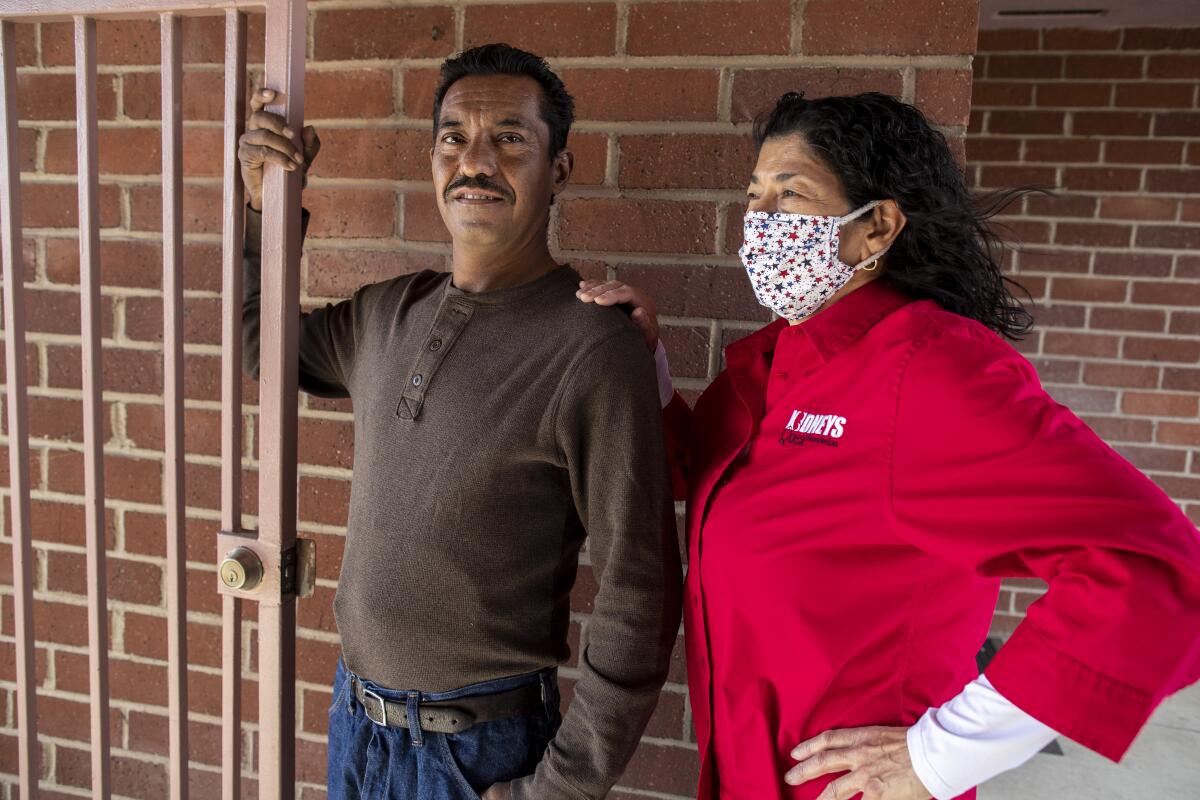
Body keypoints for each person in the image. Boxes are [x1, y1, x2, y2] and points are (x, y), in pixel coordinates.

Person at [577, 91, 1200, 800]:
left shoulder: (930, 369)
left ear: (874, 229)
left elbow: (1159, 571)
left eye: (791, 197)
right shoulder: (774, 360)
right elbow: (702, 473)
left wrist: (942, 756)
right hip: (745, 772)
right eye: (754, 198)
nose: (759, 224)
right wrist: (644, 365)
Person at [238, 44, 682, 800]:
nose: (474, 161)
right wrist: (262, 205)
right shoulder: (388, 311)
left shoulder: (593, 346)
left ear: (560, 170)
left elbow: (641, 593)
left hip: (478, 754)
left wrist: (560, 790)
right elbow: (262, 347)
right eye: (454, 138)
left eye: (509, 138)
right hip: (356, 724)